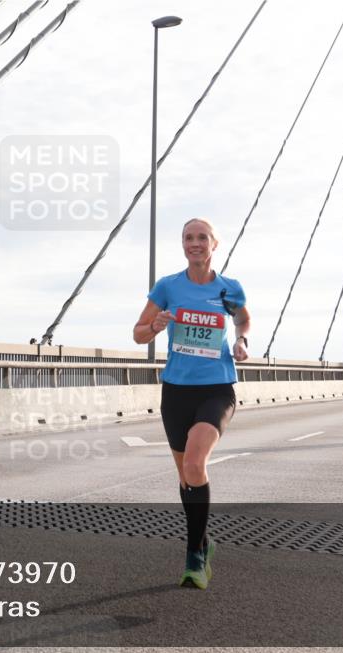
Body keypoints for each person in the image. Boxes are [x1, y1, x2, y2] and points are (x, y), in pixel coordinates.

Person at [134, 218, 250, 589]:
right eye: (188, 237)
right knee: (187, 477)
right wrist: (156, 326)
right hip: (176, 391)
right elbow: (137, 332)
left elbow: (243, 320)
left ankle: (194, 555)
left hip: (216, 389)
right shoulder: (168, 287)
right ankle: (203, 542)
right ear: (182, 244)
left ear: (214, 244)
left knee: (197, 464)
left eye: (202, 238)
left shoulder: (229, 288)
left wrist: (241, 341)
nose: (195, 243)